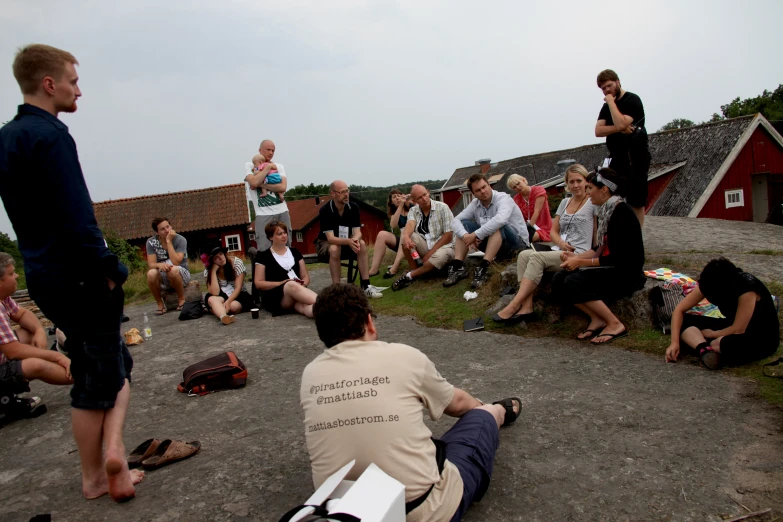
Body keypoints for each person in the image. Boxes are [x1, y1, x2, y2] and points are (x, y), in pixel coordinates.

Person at [0, 44, 142, 501]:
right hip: (81, 272)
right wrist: (111, 269)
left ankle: (109, 460)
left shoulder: (7, 138)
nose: (78, 89)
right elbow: (77, 212)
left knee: (107, 364)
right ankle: (98, 473)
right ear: (48, 84)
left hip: (43, 272)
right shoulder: (52, 136)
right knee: (96, 377)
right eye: (72, 81)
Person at [301, 283, 522, 522]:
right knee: (479, 419)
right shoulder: (403, 356)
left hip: (344, 511)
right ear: (369, 321)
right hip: (422, 509)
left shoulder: (310, 374)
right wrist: (481, 408)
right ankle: (498, 411)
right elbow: (457, 404)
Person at [550, 168, 645, 344]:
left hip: (627, 273)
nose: (588, 193)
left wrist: (581, 262)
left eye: (590, 188)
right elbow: (600, 247)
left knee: (574, 281)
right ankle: (596, 318)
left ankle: (614, 323)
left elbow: (617, 259)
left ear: (604, 190)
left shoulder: (622, 213)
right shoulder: (606, 211)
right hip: (612, 266)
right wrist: (574, 258)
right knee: (559, 278)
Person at [493, 164, 596, 324]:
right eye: (571, 182)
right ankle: (527, 307)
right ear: (567, 184)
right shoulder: (565, 203)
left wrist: (586, 256)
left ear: (586, 181)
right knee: (523, 255)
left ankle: (514, 305)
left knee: (537, 258)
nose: (575, 185)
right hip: (560, 248)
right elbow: (554, 232)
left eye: (579, 181)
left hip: (579, 252)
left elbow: (596, 239)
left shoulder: (592, 203)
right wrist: (561, 242)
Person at [665, 258, 780, 370]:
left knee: (724, 344)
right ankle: (705, 350)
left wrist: (712, 334)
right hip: (730, 325)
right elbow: (679, 311)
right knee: (684, 320)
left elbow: (738, 329)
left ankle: (700, 344)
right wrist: (674, 343)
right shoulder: (709, 283)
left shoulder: (746, 288)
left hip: (759, 335)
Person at [0, 253, 73, 419]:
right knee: (35, 365)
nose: (16, 275)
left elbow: (22, 313)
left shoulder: (3, 298)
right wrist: (56, 357)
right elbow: (13, 351)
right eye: (11, 274)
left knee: (28, 333)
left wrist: (39, 331)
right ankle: (89, 378)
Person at [444, 173, 528, 289]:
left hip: (517, 245)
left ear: (489, 185)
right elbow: (455, 221)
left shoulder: (504, 198)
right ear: (473, 194)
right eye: (478, 190)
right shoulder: (475, 204)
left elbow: (500, 219)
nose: (483, 191)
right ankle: (458, 266)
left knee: (497, 225)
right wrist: (466, 236)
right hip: (494, 244)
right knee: (462, 225)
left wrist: (476, 235)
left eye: (484, 187)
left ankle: (484, 267)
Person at [595, 69, 651, 226]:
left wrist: (612, 103)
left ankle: (637, 237)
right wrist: (619, 128)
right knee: (614, 195)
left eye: (609, 86)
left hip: (635, 157)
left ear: (618, 82)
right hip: (617, 156)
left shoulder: (632, 100)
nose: (607, 91)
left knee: (636, 200)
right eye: (603, 88)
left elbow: (621, 122)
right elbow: (598, 130)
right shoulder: (606, 107)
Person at [315, 180, 382, 298]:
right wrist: (348, 241)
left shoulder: (353, 207)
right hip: (325, 244)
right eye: (342, 192)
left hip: (347, 241)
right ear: (333, 193)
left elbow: (358, 232)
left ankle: (366, 286)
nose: (346, 194)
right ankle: (337, 290)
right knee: (335, 249)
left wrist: (354, 240)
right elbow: (330, 239)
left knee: (360, 243)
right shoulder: (325, 210)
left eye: (347, 191)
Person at [393, 185, 455, 291]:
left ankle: (410, 276)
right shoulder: (414, 210)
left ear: (428, 192)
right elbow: (410, 224)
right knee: (406, 238)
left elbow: (448, 236)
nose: (424, 199)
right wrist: (406, 237)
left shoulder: (443, 207)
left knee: (437, 258)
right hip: (426, 245)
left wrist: (429, 254)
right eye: (420, 198)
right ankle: (416, 269)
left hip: (445, 246)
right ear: (414, 200)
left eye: (425, 195)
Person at [254, 222, 318, 318]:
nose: (284, 236)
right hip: (276, 297)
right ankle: (327, 302)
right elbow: (258, 283)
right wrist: (282, 283)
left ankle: (330, 314)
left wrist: (302, 287)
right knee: (291, 285)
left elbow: (305, 276)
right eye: (279, 234)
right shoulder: (263, 257)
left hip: (296, 291)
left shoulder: (295, 252)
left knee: (305, 307)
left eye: (285, 233)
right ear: (271, 237)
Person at [244, 139, 291, 251]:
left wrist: (261, 184)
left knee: (287, 245)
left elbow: (282, 187)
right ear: (260, 150)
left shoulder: (278, 166)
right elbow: (253, 183)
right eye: (268, 149)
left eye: (273, 150)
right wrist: (268, 168)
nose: (271, 153)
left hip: (282, 211)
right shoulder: (250, 165)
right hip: (262, 213)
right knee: (265, 249)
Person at [146, 217, 191, 315]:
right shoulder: (151, 242)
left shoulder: (180, 239)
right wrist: (160, 265)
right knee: (151, 273)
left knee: (173, 270)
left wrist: (169, 241)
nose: (167, 230)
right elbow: (151, 264)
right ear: (157, 232)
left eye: (168, 226)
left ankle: (181, 299)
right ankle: (160, 304)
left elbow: (176, 262)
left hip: (181, 273)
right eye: (163, 229)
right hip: (163, 274)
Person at [202, 246, 254, 325]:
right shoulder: (208, 271)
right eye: (216, 258)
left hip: (238, 295)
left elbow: (238, 287)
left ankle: (217, 310)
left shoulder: (236, 263)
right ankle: (224, 317)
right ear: (212, 262)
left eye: (221, 254)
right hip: (221, 295)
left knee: (233, 306)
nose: (221, 258)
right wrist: (213, 271)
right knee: (211, 299)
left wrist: (229, 301)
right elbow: (215, 293)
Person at [368, 189, 412, 279]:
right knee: (381, 234)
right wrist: (400, 206)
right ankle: (374, 270)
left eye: (399, 196)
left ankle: (394, 267)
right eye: (394, 197)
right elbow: (393, 224)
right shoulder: (395, 213)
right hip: (402, 243)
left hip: (413, 239)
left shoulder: (411, 206)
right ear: (391, 202)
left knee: (404, 232)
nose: (397, 198)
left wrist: (411, 198)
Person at [507, 174, 552, 242]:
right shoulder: (516, 199)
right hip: (526, 228)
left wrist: (527, 230)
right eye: (514, 187)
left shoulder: (538, 190)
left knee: (530, 237)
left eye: (518, 183)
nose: (518, 187)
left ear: (524, 180)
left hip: (543, 227)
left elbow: (537, 212)